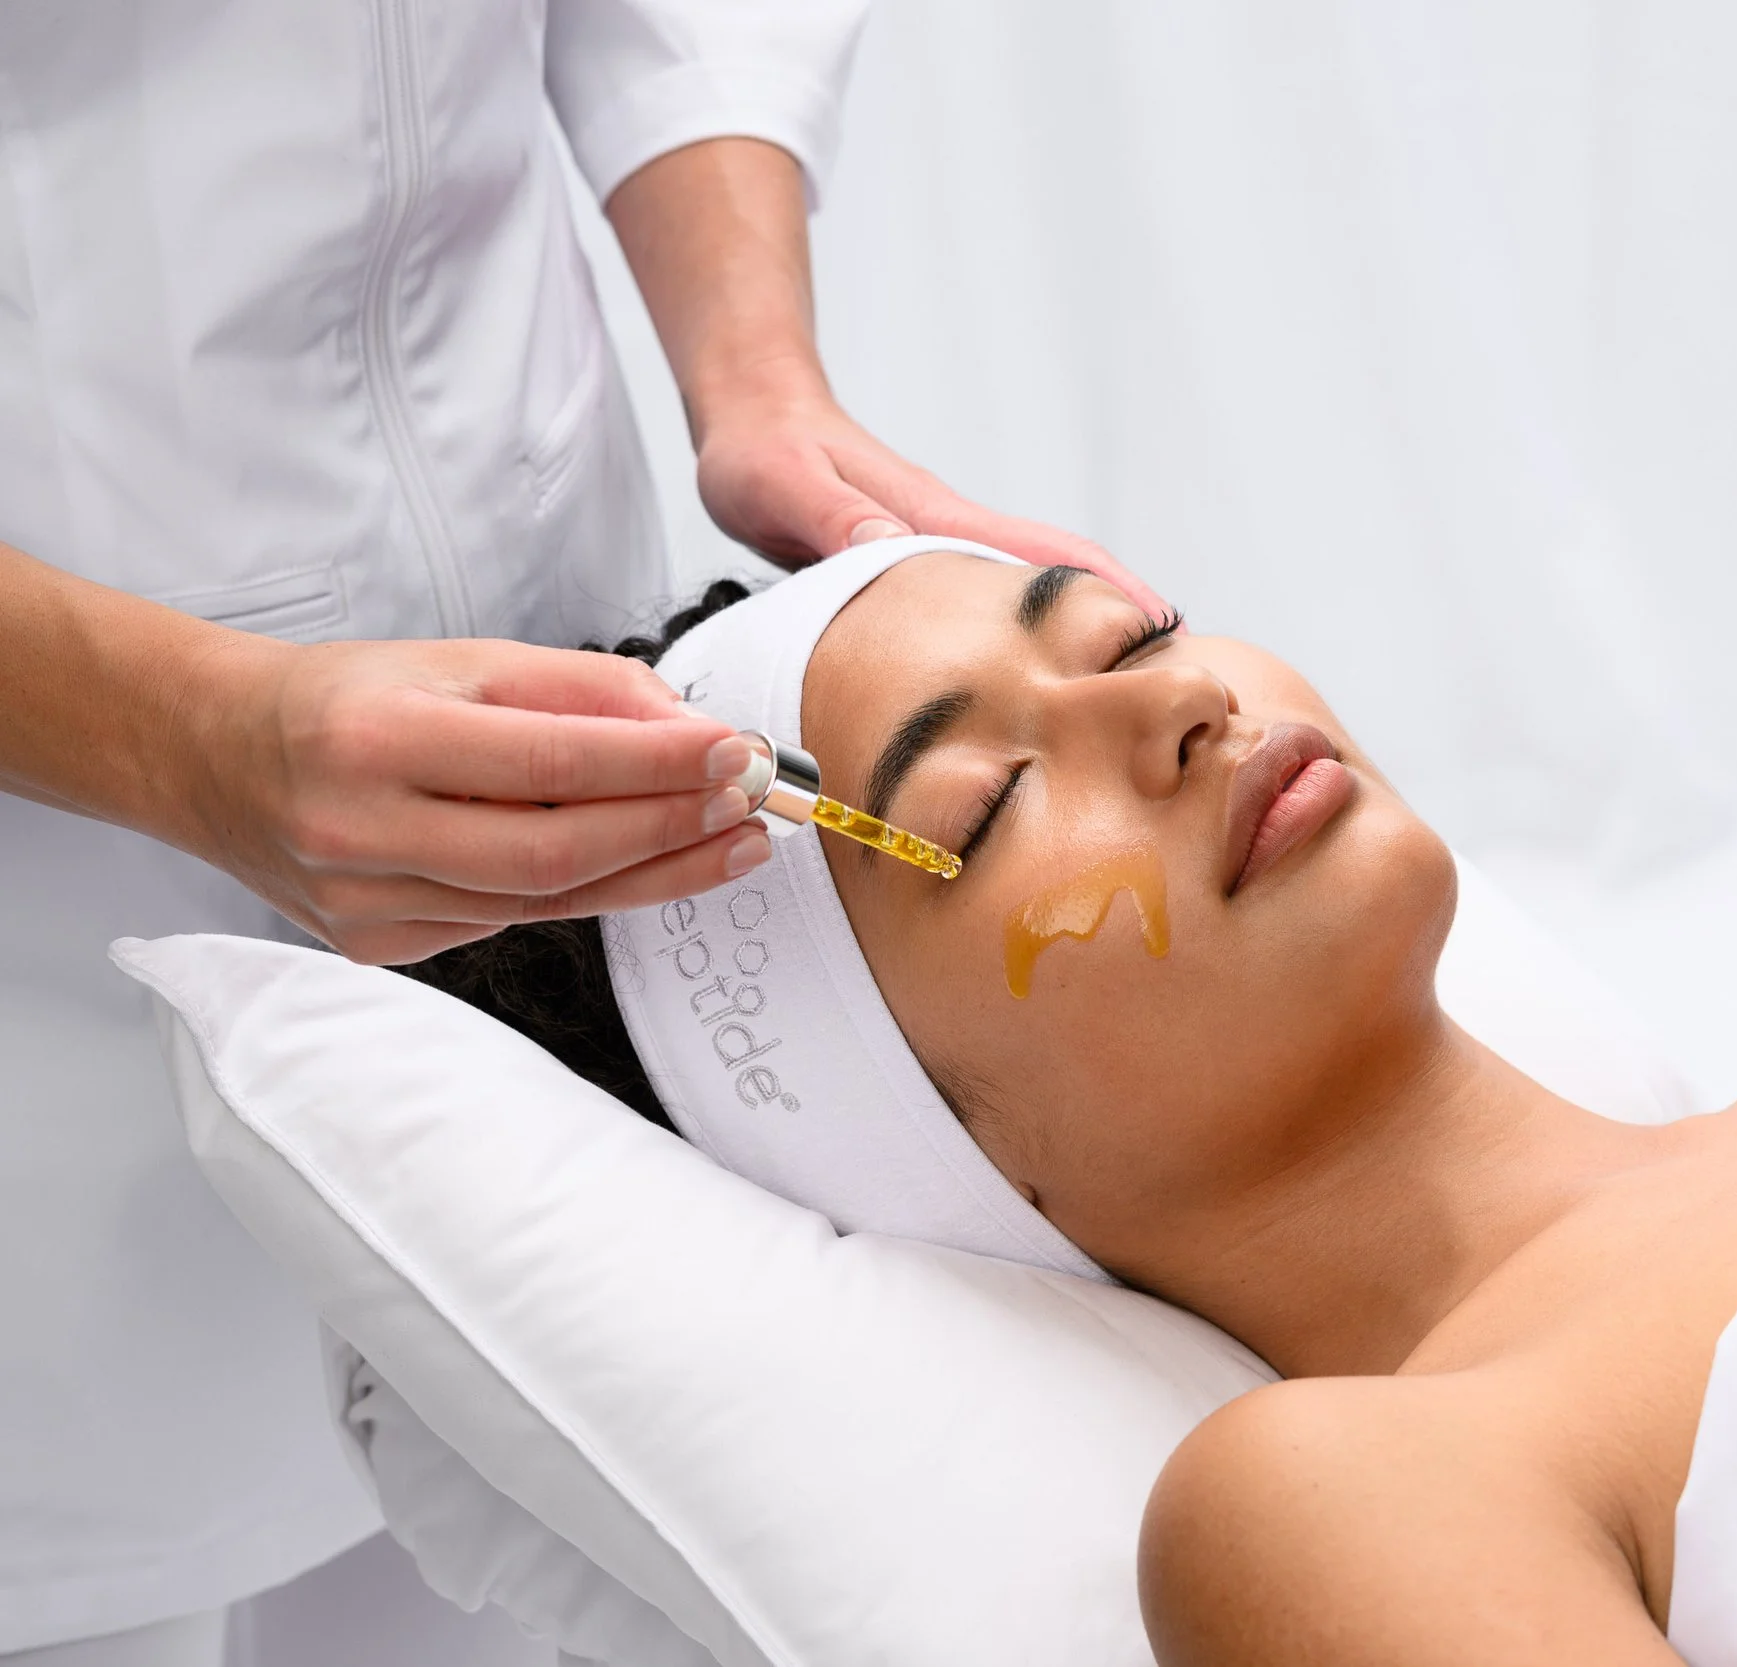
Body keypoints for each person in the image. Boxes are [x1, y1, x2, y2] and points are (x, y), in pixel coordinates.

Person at [421, 545, 1737, 1665]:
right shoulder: (1345, 1497)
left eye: (1127, 626)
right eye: (987, 791)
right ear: (907, 1140)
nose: (1170, 699)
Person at [0, 9, 1147, 1661]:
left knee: (515, 1484)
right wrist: (179, 732)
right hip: (49, 925)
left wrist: (757, 363)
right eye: (984, 797)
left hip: (537, 581)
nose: (1190, 723)